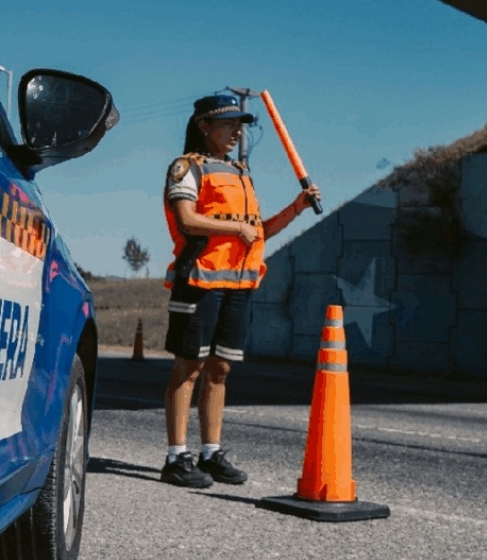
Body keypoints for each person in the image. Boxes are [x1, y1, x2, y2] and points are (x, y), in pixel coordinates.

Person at [159, 94, 322, 488]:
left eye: (240, 124)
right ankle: (176, 457)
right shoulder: (187, 168)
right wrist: (235, 229)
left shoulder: (241, 172)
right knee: (188, 368)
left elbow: (258, 230)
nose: (237, 131)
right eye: (229, 123)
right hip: (199, 280)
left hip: (238, 284)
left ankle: (210, 453)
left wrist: (297, 207)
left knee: (221, 369)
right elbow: (187, 218)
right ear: (204, 126)